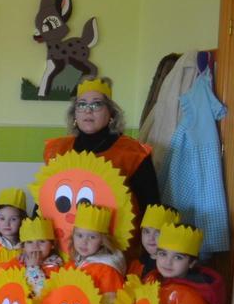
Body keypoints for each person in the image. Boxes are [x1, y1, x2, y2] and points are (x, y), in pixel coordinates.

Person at [43, 76, 160, 219]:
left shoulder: (133, 153)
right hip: (66, 236)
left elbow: (151, 208)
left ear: (111, 113)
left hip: (117, 238)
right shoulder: (57, 150)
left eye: (96, 104)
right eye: (82, 104)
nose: (88, 111)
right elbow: (44, 199)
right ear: (74, 114)